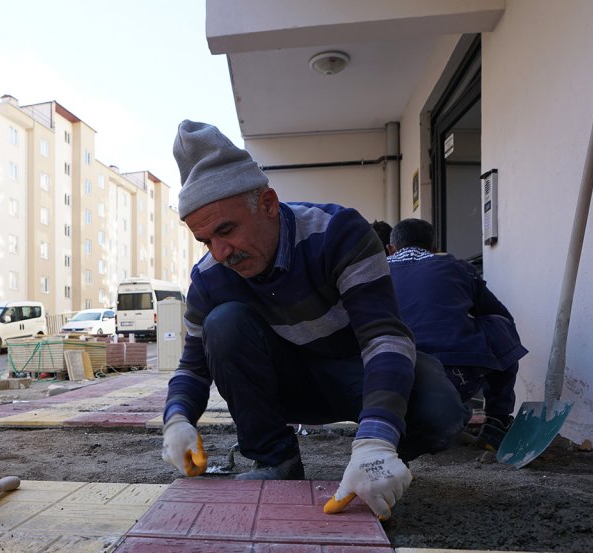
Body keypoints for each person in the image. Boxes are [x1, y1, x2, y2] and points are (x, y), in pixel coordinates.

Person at [160, 120, 467, 519]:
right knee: (223, 323)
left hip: (357, 373)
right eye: (206, 241)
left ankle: (376, 459)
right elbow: (193, 368)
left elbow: (384, 338)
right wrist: (177, 420)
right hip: (287, 385)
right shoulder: (210, 277)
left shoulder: (337, 233)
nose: (220, 252)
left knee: (441, 411)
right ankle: (275, 461)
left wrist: (375, 440)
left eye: (227, 230)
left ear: (268, 203)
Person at [387, 219, 527, 451]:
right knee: (501, 327)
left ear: (390, 249)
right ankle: (496, 422)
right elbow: (500, 315)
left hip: (381, 380)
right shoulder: (455, 267)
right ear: (434, 248)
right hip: (454, 378)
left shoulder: (374, 271)